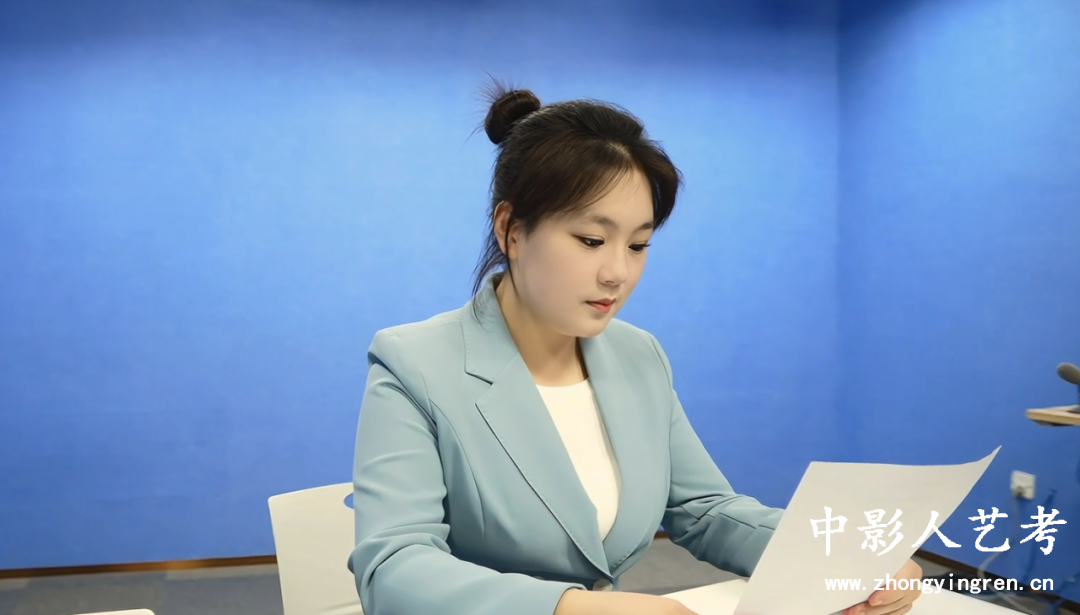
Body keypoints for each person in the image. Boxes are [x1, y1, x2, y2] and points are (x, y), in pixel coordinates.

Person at [347, 83, 924, 615]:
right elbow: (393, 569)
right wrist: (573, 609)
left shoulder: (637, 355)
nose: (617, 273)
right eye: (591, 240)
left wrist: (847, 555)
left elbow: (704, 510)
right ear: (511, 230)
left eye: (639, 245)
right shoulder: (415, 364)